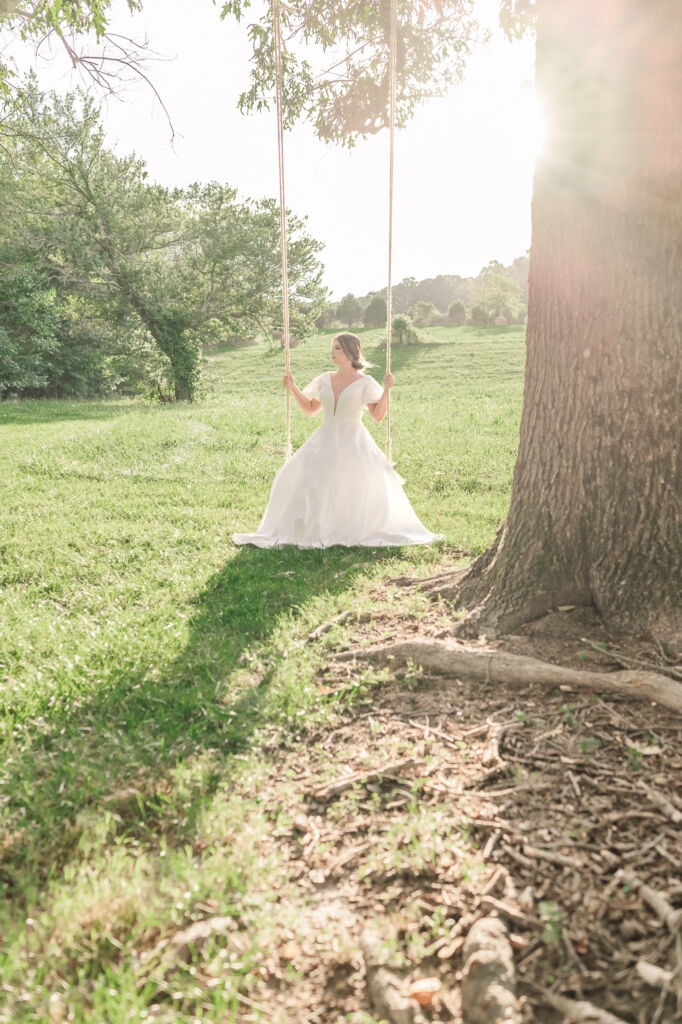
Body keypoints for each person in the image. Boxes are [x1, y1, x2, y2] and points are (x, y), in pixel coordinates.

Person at [232, 332, 439, 548]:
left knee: (350, 485)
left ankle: (348, 527)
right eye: (332, 347)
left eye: (337, 348)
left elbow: (377, 416)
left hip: (354, 439)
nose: (332, 352)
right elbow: (311, 409)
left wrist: (386, 391)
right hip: (325, 438)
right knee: (310, 480)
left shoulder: (365, 382)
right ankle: (316, 528)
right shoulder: (325, 379)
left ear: (351, 351)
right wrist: (293, 387)